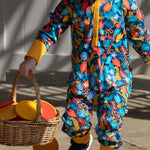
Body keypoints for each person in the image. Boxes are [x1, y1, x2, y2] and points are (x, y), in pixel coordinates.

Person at [19, 0, 150, 149]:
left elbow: (140, 34)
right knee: (75, 119)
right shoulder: (72, 3)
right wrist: (32, 58)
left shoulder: (123, 3)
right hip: (82, 78)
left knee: (110, 125)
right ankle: (80, 144)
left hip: (116, 78)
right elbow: (52, 28)